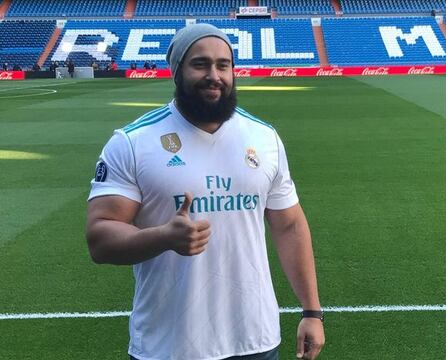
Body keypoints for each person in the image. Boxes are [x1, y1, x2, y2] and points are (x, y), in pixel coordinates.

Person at [86, 23, 325, 360]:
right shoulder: (132, 142)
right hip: (167, 347)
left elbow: (290, 226)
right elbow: (99, 238)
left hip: (256, 341)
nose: (214, 75)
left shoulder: (264, 138)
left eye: (223, 65)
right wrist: (163, 237)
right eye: (200, 64)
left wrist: (311, 312)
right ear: (178, 71)